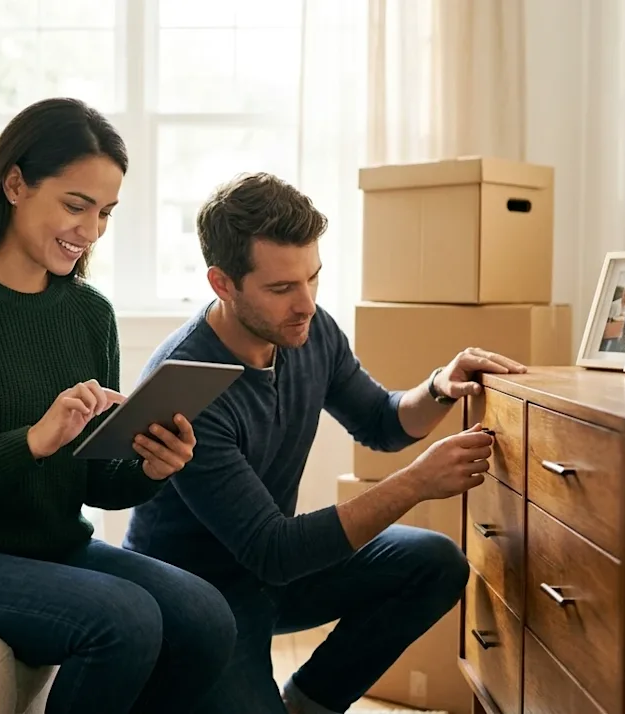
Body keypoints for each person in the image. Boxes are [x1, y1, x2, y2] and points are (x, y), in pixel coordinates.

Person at [0, 97, 236, 714]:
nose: (90, 232)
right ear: (14, 183)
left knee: (206, 616)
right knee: (124, 619)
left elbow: (94, 480)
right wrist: (31, 442)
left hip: (49, 545)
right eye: (75, 205)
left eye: (105, 213)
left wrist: (149, 467)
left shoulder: (89, 313)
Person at [123, 172, 526, 714]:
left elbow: (381, 422)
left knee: (435, 562)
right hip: (200, 597)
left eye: (313, 278)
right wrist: (418, 483)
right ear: (222, 284)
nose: (306, 303)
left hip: (269, 577)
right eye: (282, 288)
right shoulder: (185, 386)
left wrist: (439, 385)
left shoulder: (308, 330)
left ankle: (309, 702)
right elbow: (275, 550)